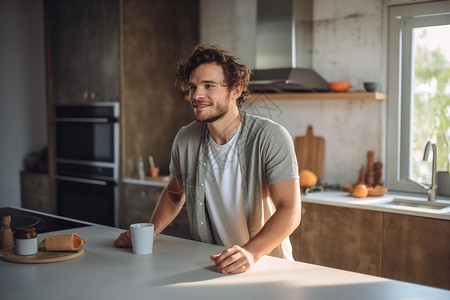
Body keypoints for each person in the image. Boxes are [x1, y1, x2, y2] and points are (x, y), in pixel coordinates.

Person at [115, 44, 301, 274]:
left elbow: (290, 210)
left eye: (209, 86)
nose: (196, 95)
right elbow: (174, 194)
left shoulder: (270, 137)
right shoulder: (186, 139)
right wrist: (148, 234)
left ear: (235, 89)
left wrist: (250, 253)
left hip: (265, 266)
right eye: (193, 87)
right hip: (213, 265)